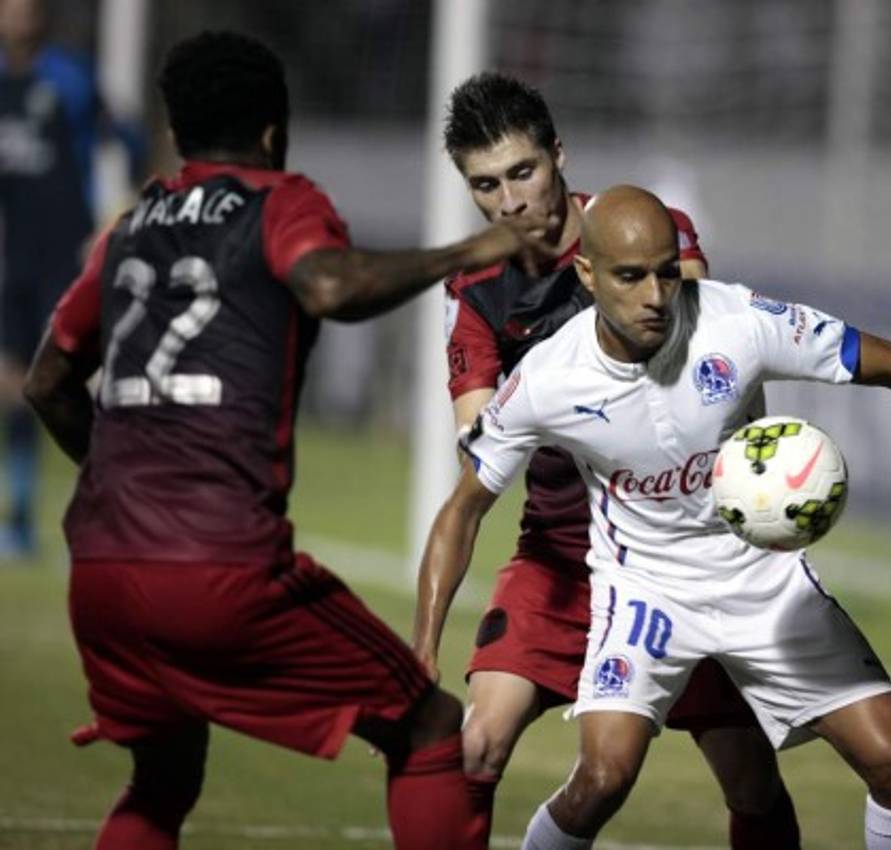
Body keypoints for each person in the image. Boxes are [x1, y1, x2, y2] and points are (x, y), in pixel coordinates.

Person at [416, 185, 891, 850]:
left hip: (762, 585)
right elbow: (461, 511)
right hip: (646, 595)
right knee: (603, 778)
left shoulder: (737, 321)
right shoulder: (547, 380)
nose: (655, 296)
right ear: (587, 274)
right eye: (630, 277)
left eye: (666, 272)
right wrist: (424, 649)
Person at [22, 31, 552, 850]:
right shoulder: (281, 201)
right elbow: (328, 284)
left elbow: (47, 382)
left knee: (161, 780)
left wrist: (115, 482)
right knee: (428, 725)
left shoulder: (133, 227)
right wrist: (474, 247)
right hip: (220, 566)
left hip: (98, 569)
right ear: (274, 131)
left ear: (177, 131)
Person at [420, 71, 801, 847]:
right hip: (560, 559)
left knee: (752, 784)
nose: (510, 201)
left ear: (558, 155)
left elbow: (700, 362)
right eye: (486, 185)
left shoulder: (648, 237)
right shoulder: (480, 289)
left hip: (680, 561)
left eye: (523, 172)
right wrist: (421, 653)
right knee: (476, 744)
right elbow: (479, 436)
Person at [0, 0, 93, 555]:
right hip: (11, 259)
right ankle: (19, 517)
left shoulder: (69, 80)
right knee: (14, 384)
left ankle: (96, 511)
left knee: (56, 383)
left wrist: (116, 209)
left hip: (63, 258)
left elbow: (123, 136)